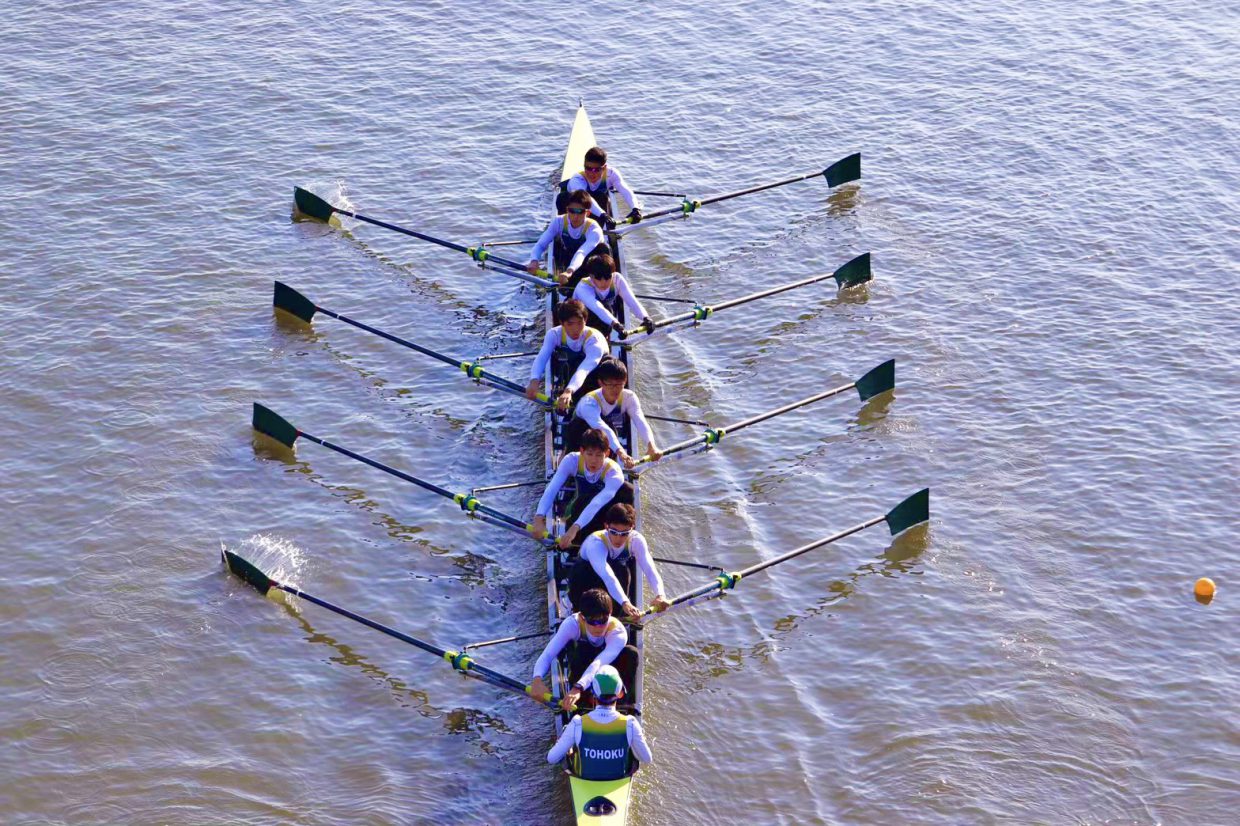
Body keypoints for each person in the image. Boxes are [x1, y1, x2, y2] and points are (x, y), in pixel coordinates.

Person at [531, 590, 639, 712]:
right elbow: (548, 654)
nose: (598, 626)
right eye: (593, 621)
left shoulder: (618, 632)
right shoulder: (571, 625)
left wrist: (578, 687)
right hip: (583, 663)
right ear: (582, 617)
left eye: (603, 620)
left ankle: (622, 703)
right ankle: (579, 703)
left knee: (631, 653)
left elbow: (599, 663)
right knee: (583, 650)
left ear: (611, 613)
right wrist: (537, 679)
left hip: (606, 666)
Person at [530, 428, 633, 549]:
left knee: (627, 490)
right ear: (582, 451)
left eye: (599, 455)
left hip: (604, 511)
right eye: (589, 454)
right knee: (583, 503)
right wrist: (539, 517)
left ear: (607, 454)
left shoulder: (613, 472)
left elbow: (597, 503)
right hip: (580, 506)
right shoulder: (571, 460)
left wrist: (575, 528)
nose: (594, 460)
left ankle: (621, 536)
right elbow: (553, 488)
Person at [546, 665, 652, 780]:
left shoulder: (577, 723)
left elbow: (551, 758)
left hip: (585, 781)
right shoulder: (630, 723)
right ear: (620, 694)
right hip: (617, 781)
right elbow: (647, 759)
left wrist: (565, 746)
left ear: (593, 694)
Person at [569, 503, 671, 622]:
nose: (618, 538)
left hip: (612, 579)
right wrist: (625, 602)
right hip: (585, 580)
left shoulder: (636, 540)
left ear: (632, 527)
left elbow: (650, 570)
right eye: (614, 532)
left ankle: (616, 618)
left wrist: (660, 595)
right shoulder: (596, 543)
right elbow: (608, 577)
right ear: (606, 526)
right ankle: (579, 614)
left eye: (624, 533)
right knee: (605, 571)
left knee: (623, 571)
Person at [563, 357, 662, 468]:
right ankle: (567, 461)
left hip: (604, 437)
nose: (616, 389)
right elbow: (603, 428)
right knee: (609, 432)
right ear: (600, 383)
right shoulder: (589, 403)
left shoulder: (629, 397)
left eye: (620, 384)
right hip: (579, 434)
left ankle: (607, 469)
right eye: (611, 385)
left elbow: (640, 421)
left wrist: (651, 445)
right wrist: (621, 452)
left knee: (611, 435)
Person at [526, 299, 610, 412]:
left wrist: (568, 391)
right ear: (562, 323)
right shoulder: (554, 334)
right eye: (570, 324)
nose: (575, 329)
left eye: (580, 323)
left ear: (585, 320)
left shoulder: (594, 341)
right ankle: (564, 395)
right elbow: (542, 357)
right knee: (557, 359)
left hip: (593, 373)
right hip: (573, 367)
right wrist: (534, 380)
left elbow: (584, 370)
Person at [527, 189, 607, 286]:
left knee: (604, 249)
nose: (575, 216)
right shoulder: (559, 221)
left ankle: (600, 282)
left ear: (588, 213)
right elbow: (540, 244)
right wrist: (534, 260)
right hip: (572, 258)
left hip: (591, 263)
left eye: (580, 212)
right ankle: (564, 278)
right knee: (557, 244)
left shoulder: (594, 229)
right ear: (567, 209)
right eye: (572, 211)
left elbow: (582, 253)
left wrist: (569, 271)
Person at [571, 252, 654, 338]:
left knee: (609, 309)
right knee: (607, 308)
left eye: (607, 277)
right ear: (591, 276)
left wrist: (646, 318)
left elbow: (632, 300)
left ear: (612, 273)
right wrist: (616, 324)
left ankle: (604, 337)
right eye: (599, 278)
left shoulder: (617, 279)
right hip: (579, 321)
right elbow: (598, 308)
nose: (604, 282)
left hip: (603, 318)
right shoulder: (583, 287)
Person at [562, 146, 644, 229]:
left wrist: (636, 209)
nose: (591, 173)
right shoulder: (577, 179)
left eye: (596, 170)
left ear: (604, 168)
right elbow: (586, 199)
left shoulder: (611, 174)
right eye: (588, 168)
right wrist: (603, 215)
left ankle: (606, 231)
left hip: (594, 207)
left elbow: (625, 190)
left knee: (603, 198)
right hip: (575, 209)